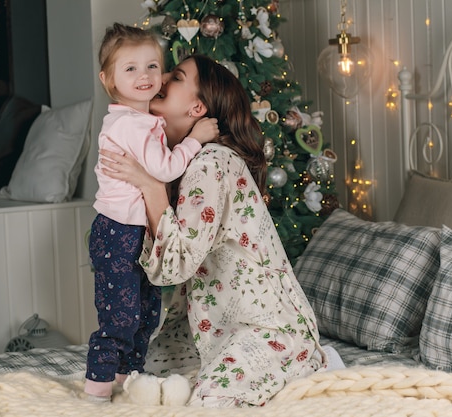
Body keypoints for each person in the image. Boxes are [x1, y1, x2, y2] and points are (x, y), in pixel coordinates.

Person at [99, 54, 328, 408]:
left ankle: (305, 364)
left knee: (210, 402)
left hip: (265, 330)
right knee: (140, 386)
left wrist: (150, 187)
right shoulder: (177, 162)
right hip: (206, 329)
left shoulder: (211, 163)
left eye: (175, 77)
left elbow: (175, 268)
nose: (160, 81)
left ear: (197, 107)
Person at [84, 24, 217, 401]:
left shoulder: (144, 121)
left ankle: (129, 382)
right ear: (108, 79)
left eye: (151, 66)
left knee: (145, 313)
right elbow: (163, 170)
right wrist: (194, 140)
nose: (144, 76)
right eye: (130, 69)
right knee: (120, 317)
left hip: (134, 233)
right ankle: (95, 392)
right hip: (116, 231)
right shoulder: (128, 124)